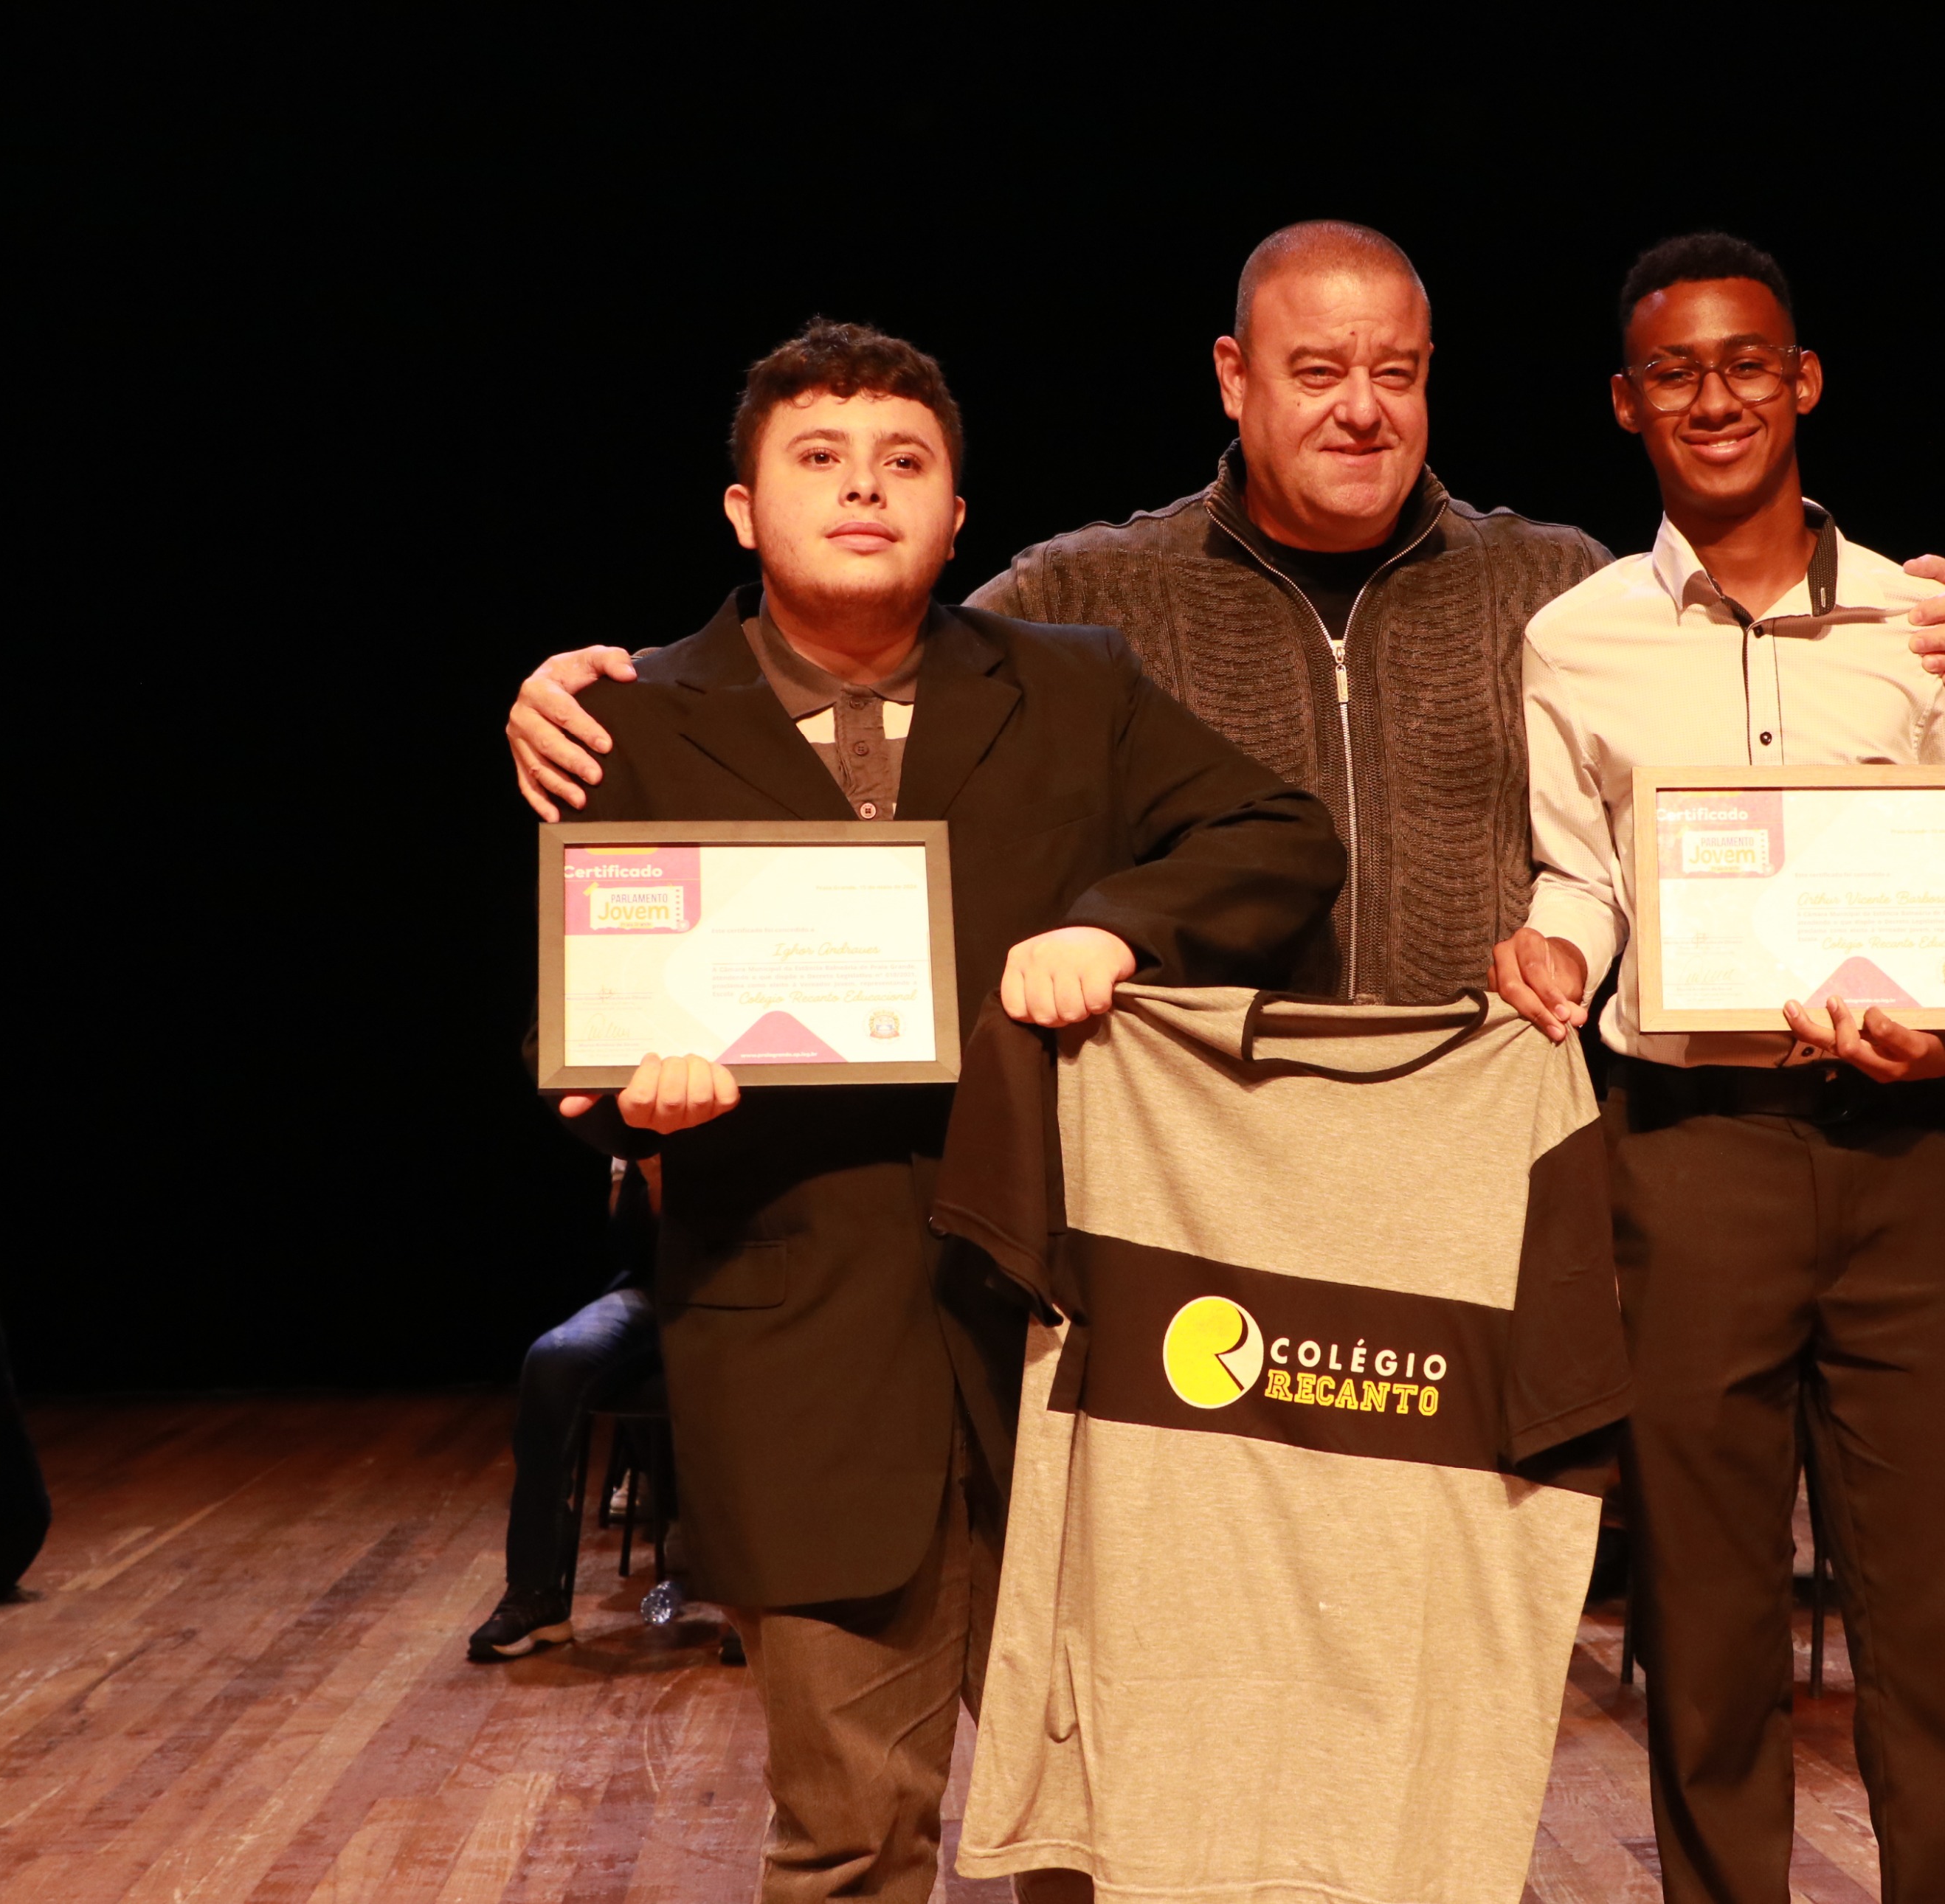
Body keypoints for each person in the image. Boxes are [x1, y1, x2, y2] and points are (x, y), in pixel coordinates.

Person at [545, 318, 1344, 1903]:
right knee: (850, 1841)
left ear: (958, 514)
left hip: (1069, 1342)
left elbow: (1280, 835)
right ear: (741, 509)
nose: (864, 488)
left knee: (1127, 1843)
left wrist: (1117, 925)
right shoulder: (629, 721)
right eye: (819, 458)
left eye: (903, 461)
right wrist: (629, 1102)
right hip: (799, 1360)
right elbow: (571, 1025)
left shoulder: (1073, 686)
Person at [502, 222, 1945, 1004]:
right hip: (1193, 1139)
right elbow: (860, 626)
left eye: (1396, 373)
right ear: (1233, 379)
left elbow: (1747, 677)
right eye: (1316, 372)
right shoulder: (1085, 593)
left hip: (1480, 1120)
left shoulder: (1555, 584)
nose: (1361, 410)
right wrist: (625, 686)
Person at [1491, 231, 1945, 1903]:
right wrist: (1555, 950)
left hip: (1904, 1150)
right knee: (1708, 1622)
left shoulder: (1931, 618)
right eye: (1675, 370)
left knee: (1936, 1617)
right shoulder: (1573, 636)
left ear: (1801, 381)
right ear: (1626, 402)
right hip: (1689, 1153)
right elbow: (1578, 870)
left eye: (1745, 363)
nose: (1713, 397)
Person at [466, 1156, 672, 1661]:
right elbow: (630, 1247)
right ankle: (536, 1593)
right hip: (657, 1288)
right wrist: (654, 1177)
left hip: (759, 1298)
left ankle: (757, 1600)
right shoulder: (641, 1128)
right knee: (553, 1359)